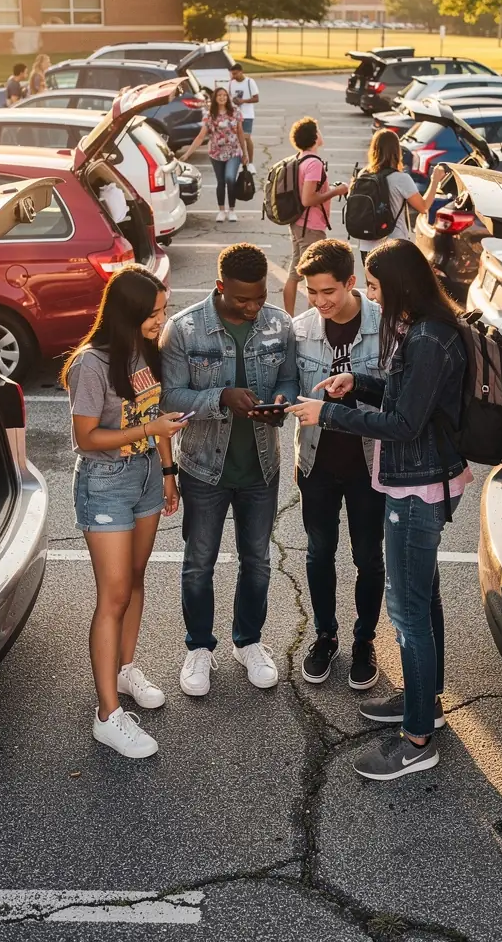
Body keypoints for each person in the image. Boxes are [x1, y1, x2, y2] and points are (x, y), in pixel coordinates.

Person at [287, 239, 472, 782]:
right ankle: (425, 702)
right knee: (425, 597)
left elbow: (403, 425)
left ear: (399, 288)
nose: (369, 296)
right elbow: (405, 393)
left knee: (409, 613)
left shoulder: (430, 337)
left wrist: (330, 412)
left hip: (418, 486)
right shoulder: (425, 330)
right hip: (420, 479)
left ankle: (417, 739)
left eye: (373, 287)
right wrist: (361, 382)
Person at [62, 266, 190, 760]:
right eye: (155, 314)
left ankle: (125, 669)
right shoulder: (90, 364)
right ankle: (107, 716)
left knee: (136, 579)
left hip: (144, 479)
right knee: (112, 595)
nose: (163, 320)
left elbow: (154, 414)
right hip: (105, 482)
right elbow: (86, 438)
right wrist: (149, 432)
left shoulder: (147, 352)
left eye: (164, 311)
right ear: (130, 313)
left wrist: (168, 470)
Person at [160, 244, 296, 698]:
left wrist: (280, 405)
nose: (254, 307)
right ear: (220, 288)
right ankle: (199, 647)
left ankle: (249, 642)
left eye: (259, 297)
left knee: (256, 562)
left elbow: (289, 380)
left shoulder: (279, 324)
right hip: (203, 468)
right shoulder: (183, 329)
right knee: (199, 564)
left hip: (261, 466)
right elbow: (169, 397)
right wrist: (219, 397)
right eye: (243, 300)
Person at [292, 238, 385, 690]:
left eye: (328, 291)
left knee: (368, 556)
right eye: (312, 291)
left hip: (370, 464)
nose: (320, 301)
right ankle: (324, 636)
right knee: (318, 552)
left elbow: (395, 397)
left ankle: (364, 640)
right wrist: (279, 400)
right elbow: (288, 386)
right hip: (316, 463)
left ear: (351, 282)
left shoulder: (385, 327)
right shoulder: (301, 329)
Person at [283, 116, 348, 317]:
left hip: (298, 223)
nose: (321, 134)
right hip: (310, 226)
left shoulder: (299, 158)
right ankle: (311, 321)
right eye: (318, 130)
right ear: (313, 137)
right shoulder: (314, 164)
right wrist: (336, 191)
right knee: (315, 275)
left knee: (295, 273)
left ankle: (290, 318)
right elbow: (308, 198)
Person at [356, 129, 444, 265]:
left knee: (374, 285)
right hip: (393, 245)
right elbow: (423, 207)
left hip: (367, 246)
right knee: (394, 286)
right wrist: (435, 180)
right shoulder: (400, 178)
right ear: (396, 151)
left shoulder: (363, 175)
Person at [182, 87, 248, 223]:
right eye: (219, 95)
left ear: (228, 97)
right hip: (216, 153)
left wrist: (245, 153)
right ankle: (221, 210)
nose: (222, 97)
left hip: (233, 151)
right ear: (215, 98)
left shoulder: (235, 112)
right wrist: (187, 154)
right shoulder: (209, 115)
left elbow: (241, 133)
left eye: (225, 95)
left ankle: (232, 210)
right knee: (221, 182)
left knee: (230, 179)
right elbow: (201, 136)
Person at [229, 63, 259, 165]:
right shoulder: (231, 83)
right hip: (235, 115)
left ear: (241, 72)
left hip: (247, 114)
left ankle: (250, 162)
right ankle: (240, 160)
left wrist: (243, 101)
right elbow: (229, 97)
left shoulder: (250, 82)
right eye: (232, 74)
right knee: (237, 138)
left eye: (236, 74)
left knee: (246, 137)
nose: (234, 76)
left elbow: (256, 98)